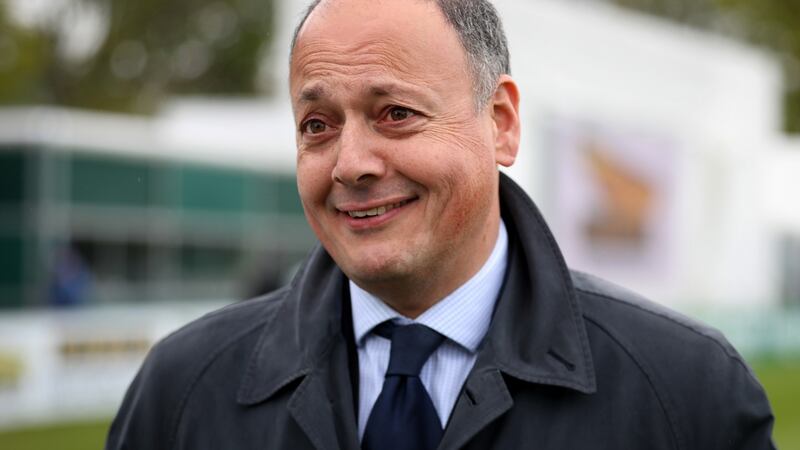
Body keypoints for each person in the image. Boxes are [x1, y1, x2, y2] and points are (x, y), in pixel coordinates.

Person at [106, 0, 775, 448]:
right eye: (318, 125)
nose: (351, 164)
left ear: (501, 123)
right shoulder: (182, 392)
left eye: (395, 113)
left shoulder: (686, 392)